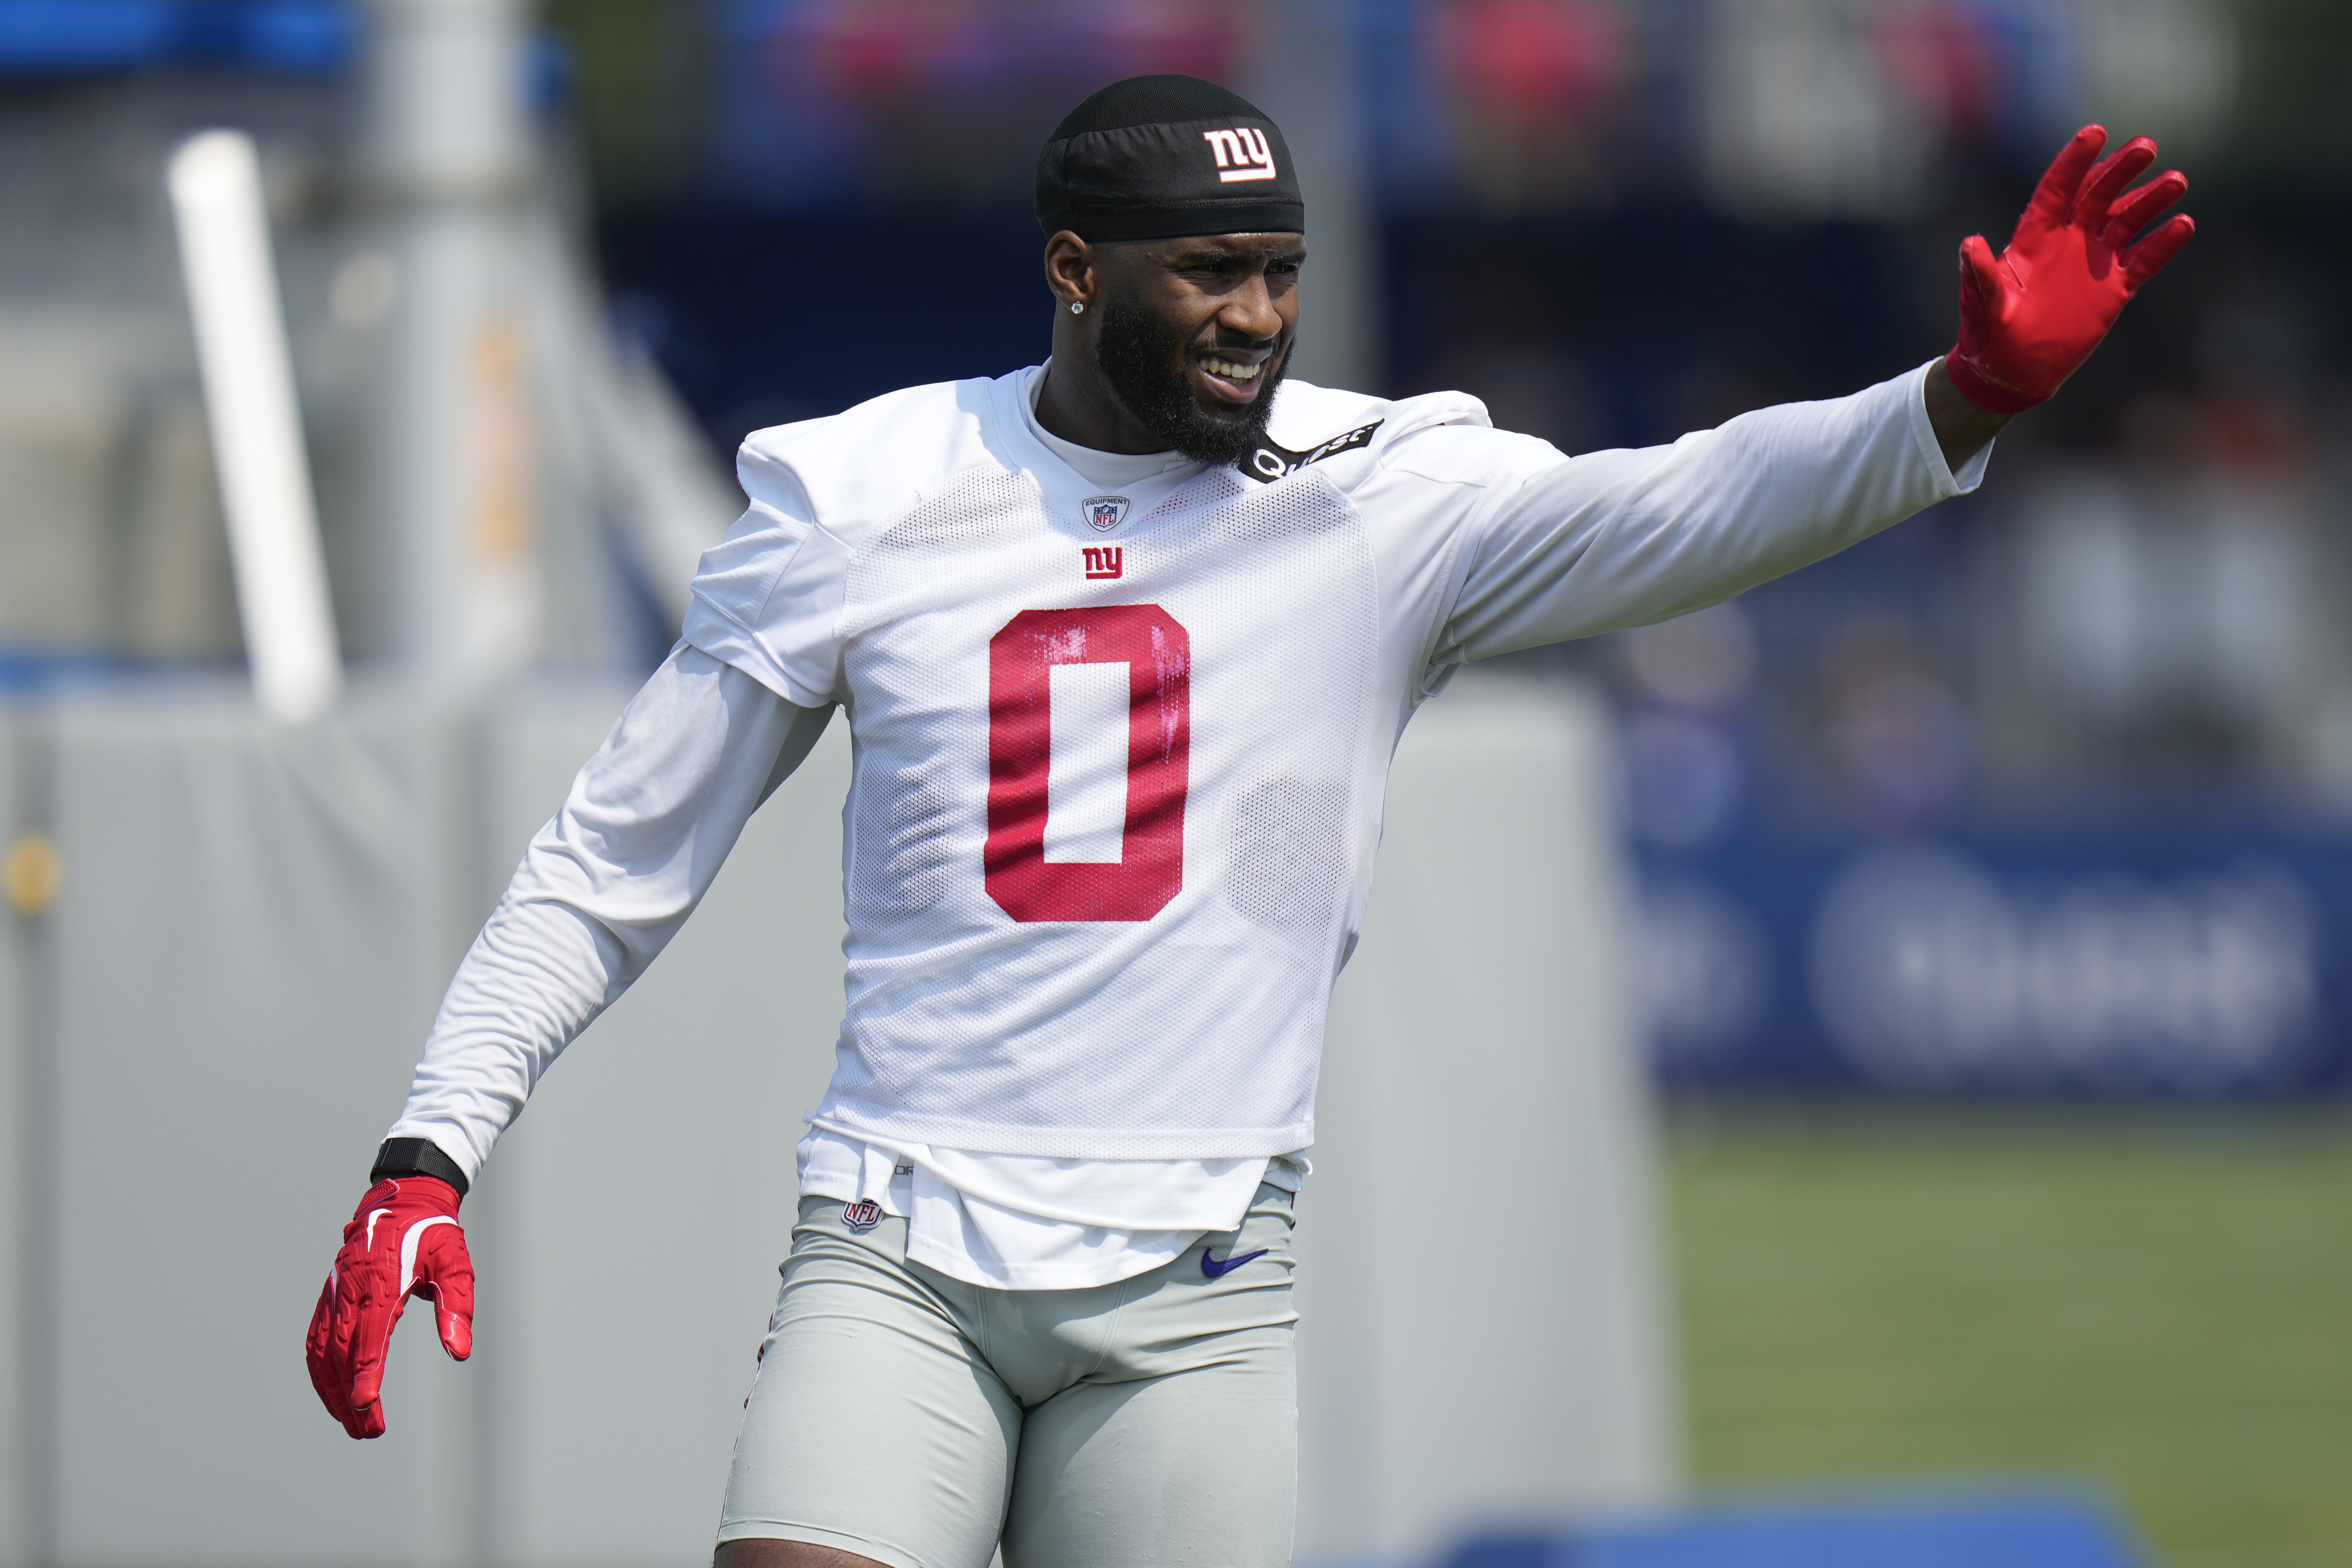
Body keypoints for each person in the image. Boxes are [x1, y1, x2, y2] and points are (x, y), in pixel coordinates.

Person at [305, 73, 2191, 1568]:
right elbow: (615, 860)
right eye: (1210, 272)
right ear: (1071, 270)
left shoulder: (1382, 496)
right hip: (900, 1242)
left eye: (1280, 271)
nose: (1259, 318)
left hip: (1203, 1280)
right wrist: (426, 1147)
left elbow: (1691, 502)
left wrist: (1960, 398)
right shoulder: (864, 490)